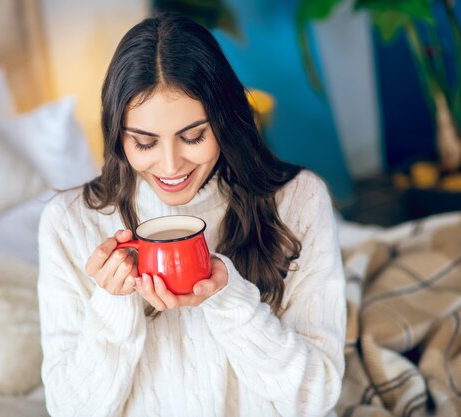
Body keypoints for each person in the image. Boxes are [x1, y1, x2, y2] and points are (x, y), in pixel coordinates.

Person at [38, 12, 346, 417]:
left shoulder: (299, 200)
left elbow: (316, 396)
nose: (170, 166)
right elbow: (69, 410)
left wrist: (230, 299)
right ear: (117, 135)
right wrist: (112, 307)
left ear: (224, 122)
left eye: (193, 136)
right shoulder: (69, 223)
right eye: (145, 143)